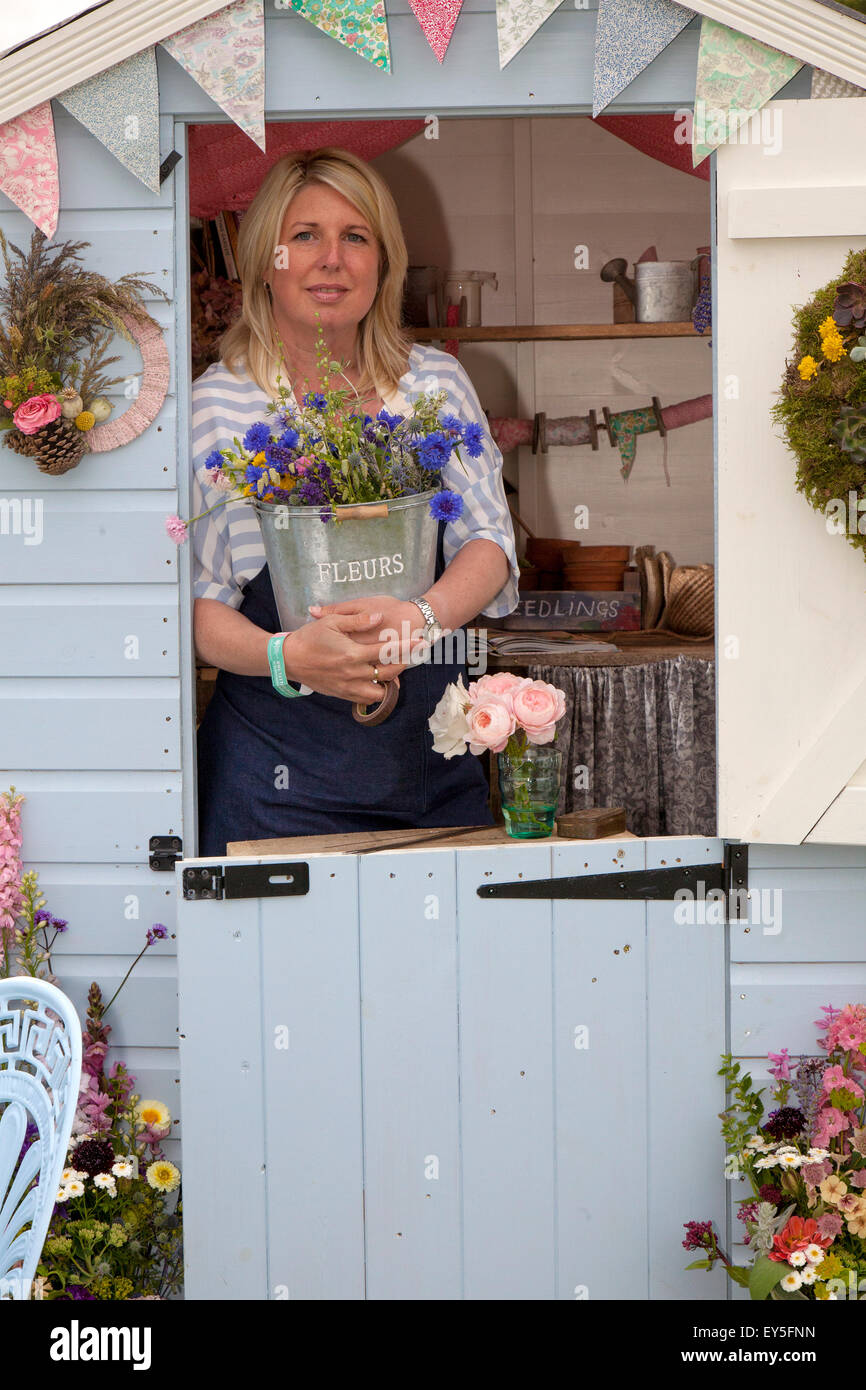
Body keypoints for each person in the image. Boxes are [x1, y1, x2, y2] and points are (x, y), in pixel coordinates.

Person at [192, 147, 519, 855]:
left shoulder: (434, 385)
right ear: (266, 261)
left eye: (356, 237)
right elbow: (201, 603)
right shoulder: (219, 404)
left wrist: (420, 617)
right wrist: (288, 657)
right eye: (305, 235)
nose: (331, 259)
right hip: (273, 786)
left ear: (384, 261)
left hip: (430, 769)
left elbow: (489, 545)